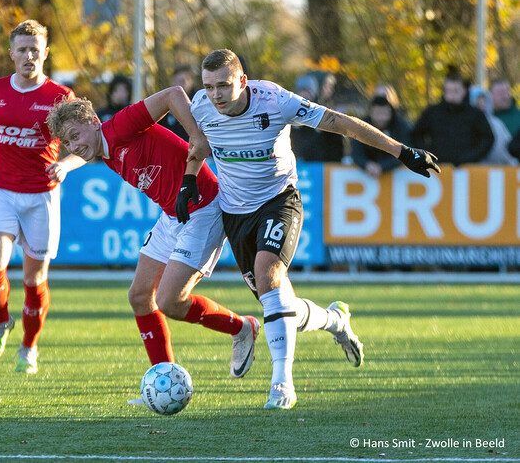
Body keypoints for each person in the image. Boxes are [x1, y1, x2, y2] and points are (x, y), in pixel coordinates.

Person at [182, 49, 440, 410]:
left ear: (242, 80)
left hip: (278, 200)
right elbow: (197, 144)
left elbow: (341, 122)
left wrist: (400, 151)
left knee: (268, 275)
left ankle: (282, 385)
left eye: (224, 85)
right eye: (209, 86)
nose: (216, 94)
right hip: (235, 213)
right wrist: (189, 180)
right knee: (280, 305)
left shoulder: (275, 101)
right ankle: (335, 320)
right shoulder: (202, 105)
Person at [46, 86, 260, 399]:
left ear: (93, 121)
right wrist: (65, 164)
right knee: (140, 295)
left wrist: (197, 137)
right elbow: (86, 151)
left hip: (204, 207)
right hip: (173, 214)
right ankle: (163, 382)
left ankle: (242, 328)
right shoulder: (101, 146)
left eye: (75, 136)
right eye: (66, 142)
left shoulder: (121, 124)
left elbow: (173, 94)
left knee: (170, 301)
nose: (73, 146)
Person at [0, 19, 85, 375]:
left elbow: (88, 144)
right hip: (1, 190)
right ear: (11, 54)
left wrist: (66, 164)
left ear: (45, 53)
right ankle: (2, 321)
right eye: (22, 49)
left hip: (42, 197)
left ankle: (29, 348)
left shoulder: (61, 98)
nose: (29, 56)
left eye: (35, 49)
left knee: (33, 280)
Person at [410, 71, 494, 165]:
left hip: (467, 169)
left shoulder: (475, 114)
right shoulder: (432, 112)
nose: (452, 95)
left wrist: (471, 157)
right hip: (438, 167)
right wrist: (427, 154)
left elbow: (487, 138)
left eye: (456, 91)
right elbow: (416, 135)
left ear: (464, 91)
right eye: (448, 91)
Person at [352, 94, 413, 177]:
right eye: (377, 113)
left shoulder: (401, 126)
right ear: (371, 112)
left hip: (397, 176)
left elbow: (406, 152)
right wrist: (366, 164)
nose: (381, 117)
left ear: (391, 113)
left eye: (384, 113)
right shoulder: (361, 126)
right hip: (367, 175)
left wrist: (382, 166)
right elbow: (356, 152)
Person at [289, 74, 345, 162]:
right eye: (301, 91)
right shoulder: (290, 114)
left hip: (322, 167)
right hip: (296, 165)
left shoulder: (323, 113)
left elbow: (336, 145)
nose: (304, 96)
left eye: (308, 92)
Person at [468, 86, 516, 165]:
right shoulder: (466, 124)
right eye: (478, 100)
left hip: (500, 168)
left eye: (483, 100)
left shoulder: (496, 123)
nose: (481, 104)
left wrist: (514, 164)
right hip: (473, 170)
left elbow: (508, 145)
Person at [159, 65, 197, 141]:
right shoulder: (165, 99)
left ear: (191, 81)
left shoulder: (198, 102)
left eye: (183, 81)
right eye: (177, 81)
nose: (180, 85)